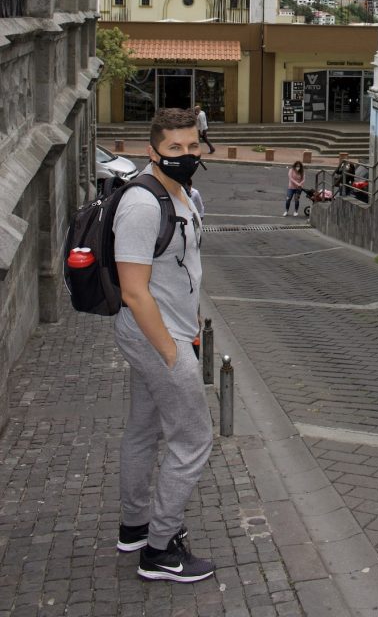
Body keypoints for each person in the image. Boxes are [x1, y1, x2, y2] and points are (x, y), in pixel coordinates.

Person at [113, 107, 214, 583]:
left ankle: (134, 526)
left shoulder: (188, 195)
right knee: (194, 440)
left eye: (192, 146)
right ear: (152, 151)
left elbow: (184, 266)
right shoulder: (142, 205)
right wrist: (173, 352)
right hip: (157, 336)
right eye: (175, 148)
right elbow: (133, 290)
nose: (186, 154)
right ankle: (159, 550)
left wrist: (190, 323)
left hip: (173, 329)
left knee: (143, 428)